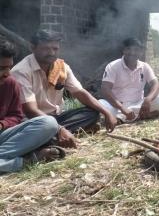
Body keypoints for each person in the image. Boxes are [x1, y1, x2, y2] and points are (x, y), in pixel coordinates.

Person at [12, 30, 117, 148]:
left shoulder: (61, 67)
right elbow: (30, 111)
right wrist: (59, 129)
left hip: (56, 117)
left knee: (92, 112)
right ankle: (54, 137)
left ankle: (52, 138)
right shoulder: (21, 71)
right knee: (42, 128)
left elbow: (80, 93)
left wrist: (107, 113)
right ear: (33, 47)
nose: (51, 52)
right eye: (46, 48)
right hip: (34, 121)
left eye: (55, 49)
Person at [0, 39, 62, 173]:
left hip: (4, 136)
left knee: (49, 123)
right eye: (1, 68)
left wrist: (2, 124)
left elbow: (16, 116)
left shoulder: (10, 83)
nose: (7, 73)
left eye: (9, 67)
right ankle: (27, 161)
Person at [100, 38, 159, 122]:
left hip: (138, 104)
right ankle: (139, 116)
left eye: (136, 50)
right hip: (117, 105)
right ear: (123, 50)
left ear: (141, 52)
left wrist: (148, 100)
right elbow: (105, 89)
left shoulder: (144, 66)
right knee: (101, 104)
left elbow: (156, 84)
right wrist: (121, 107)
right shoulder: (113, 66)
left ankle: (122, 118)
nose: (132, 53)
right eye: (128, 49)